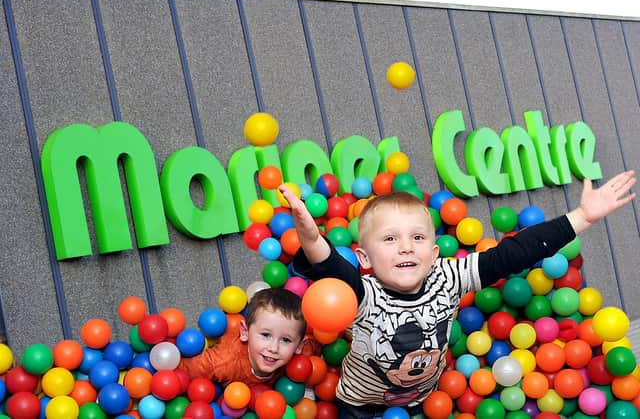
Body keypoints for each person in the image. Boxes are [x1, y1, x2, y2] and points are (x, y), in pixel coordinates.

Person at [280, 170, 636, 417]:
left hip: (422, 396)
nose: (406, 248)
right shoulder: (363, 294)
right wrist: (310, 236)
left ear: (435, 253)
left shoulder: (448, 276)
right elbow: (332, 267)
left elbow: (512, 254)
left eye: (418, 238)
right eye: (390, 239)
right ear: (365, 258)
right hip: (358, 400)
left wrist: (581, 217)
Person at [177, 286, 319, 387]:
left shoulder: (302, 356)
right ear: (245, 332)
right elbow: (182, 372)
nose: (274, 348)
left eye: (286, 340)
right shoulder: (222, 362)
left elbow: (316, 345)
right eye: (265, 335)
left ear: (299, 346)